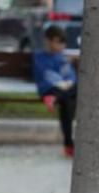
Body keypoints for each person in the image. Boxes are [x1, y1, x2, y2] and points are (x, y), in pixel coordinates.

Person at [33, 25, 78, 158]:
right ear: (48, 41)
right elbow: (44, 75)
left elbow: (70, 75)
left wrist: (68, 82)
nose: (61, 46)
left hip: (63, 92)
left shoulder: (62, 58)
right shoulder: (39, 57)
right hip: (48, 89)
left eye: (63, 43)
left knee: (69, 99)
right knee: (69, 100)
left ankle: (53, 98)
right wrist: (60, 83)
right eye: (58, 42)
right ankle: (68, 145)